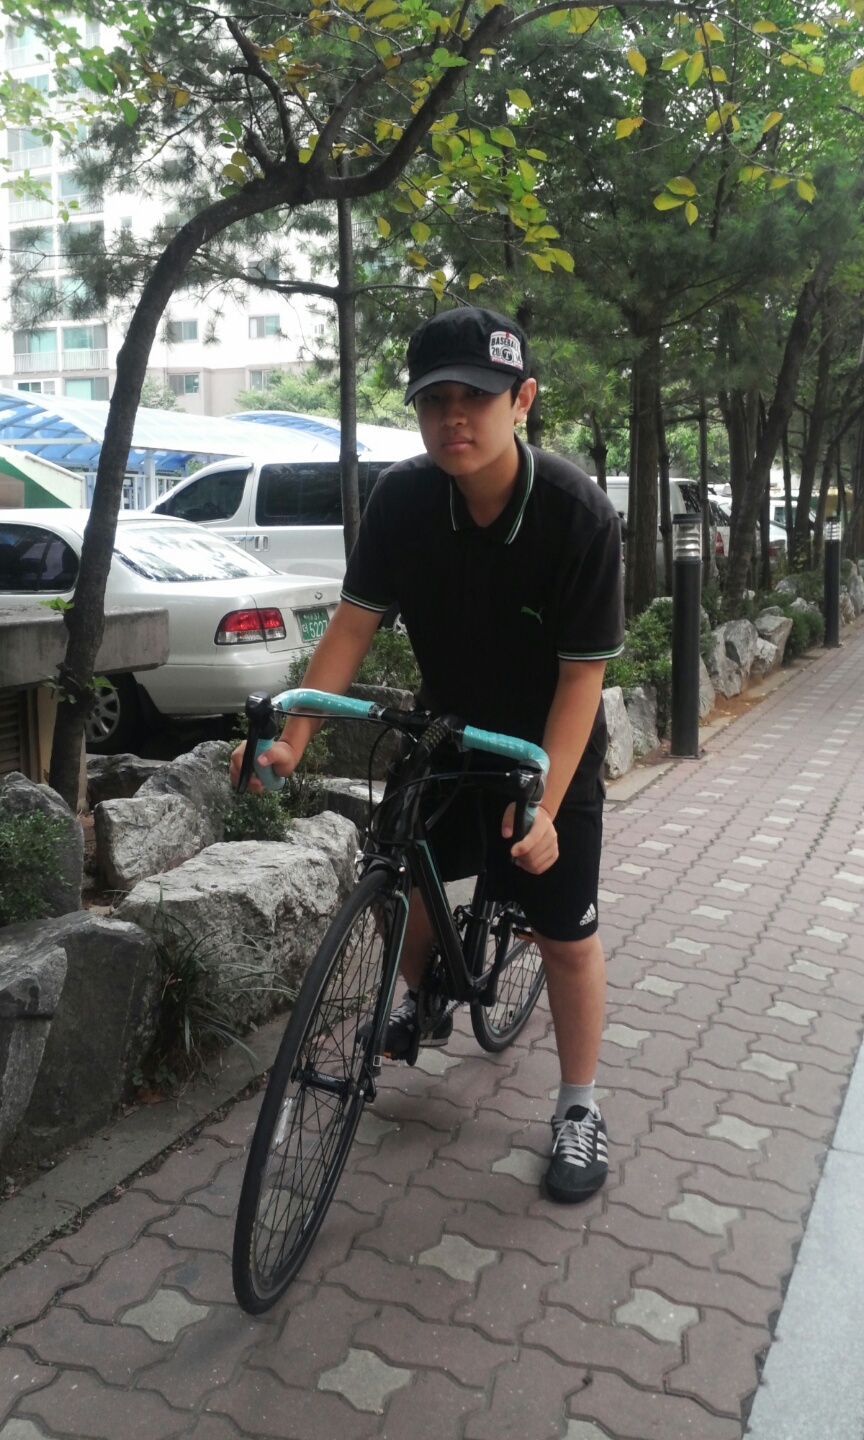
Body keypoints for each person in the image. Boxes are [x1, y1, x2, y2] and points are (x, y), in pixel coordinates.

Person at [230, 306, 624, 1204]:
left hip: (545, 750)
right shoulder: (403, 502)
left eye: (475, 398)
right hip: (448, 733)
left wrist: (544, 801)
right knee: (395, 868)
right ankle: (420, 995)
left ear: (521, 400)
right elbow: (351, 629)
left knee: (564, 934)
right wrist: (293, 739)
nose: (454, 417)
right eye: (434, 399)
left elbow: (580, 684)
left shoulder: (578, 518)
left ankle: (578, 1106)